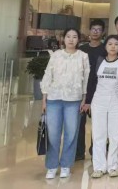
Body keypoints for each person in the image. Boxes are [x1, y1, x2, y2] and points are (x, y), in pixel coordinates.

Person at [41, 28, 90, 179]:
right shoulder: (56, 55)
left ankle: (66, 165)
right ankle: (51, 166)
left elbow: (86, 78)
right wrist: (44, 99)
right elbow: (48, 75)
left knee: (71, 133)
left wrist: (84, 98)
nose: (71, 39)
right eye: (68, 36)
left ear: (78, 40)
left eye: (74, 37)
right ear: (63, 38)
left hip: (74, 100)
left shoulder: (83, 56)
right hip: (54, 98)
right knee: (53, 134)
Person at [84, 35, 118, 178]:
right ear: (105, 46)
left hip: (116, 102)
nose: (113, 47)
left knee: (115, 134)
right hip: (98, 101)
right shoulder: (99, 60)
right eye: (110, 44)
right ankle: (99, 167)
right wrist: (88, 101)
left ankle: (113, 166)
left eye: (116, 44)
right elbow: (92, 81)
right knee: (98, 134)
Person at [76, 19, 106, 161]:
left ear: (103, 32)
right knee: (79, 123)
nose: (95, 32)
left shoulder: (105, 49)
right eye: (93, 29)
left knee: (98, 125)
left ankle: (96, 151)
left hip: (99, 91)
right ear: (89, 31)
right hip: (82, 90)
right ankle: (79, 152)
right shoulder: (81, 49)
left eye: (98, 29)